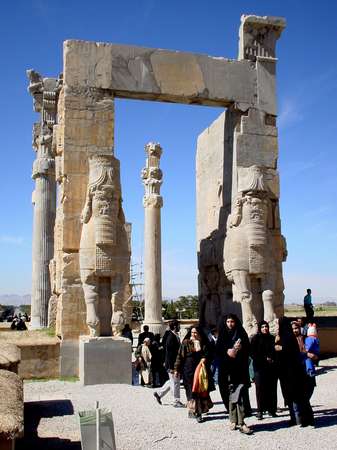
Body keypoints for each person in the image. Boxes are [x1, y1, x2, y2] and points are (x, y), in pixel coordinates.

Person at [216, 314, 252, 434]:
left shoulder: (241, 334)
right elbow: (218, 351)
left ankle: (241, 422)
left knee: (240, 396)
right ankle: (232, 419)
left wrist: (239, 349)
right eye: (228, 321)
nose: (230, 324)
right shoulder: (222, 335)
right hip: (226, 371)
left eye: (232, 321)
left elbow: (248, 350)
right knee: (230, 396)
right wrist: (227, 351)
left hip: (239, 370)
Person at [276, 317, 312, 426]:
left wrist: (280, 348)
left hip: (292, 372)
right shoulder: (283, 337)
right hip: (285, 373)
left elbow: (291, 352)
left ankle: (300, 419)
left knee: (296, 396)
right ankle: (295, 418)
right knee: (289, 396)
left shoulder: (289, 338)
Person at [174, 325, 214, 422]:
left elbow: (209, 354)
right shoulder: (186, 343)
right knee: (191, 391)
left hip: (201, 370)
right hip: (188, 370)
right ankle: (195, 411)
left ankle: (198, 411)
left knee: (200, 390)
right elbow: (180, 356)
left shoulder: (204, 343)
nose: (194, 334)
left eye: (195, 332)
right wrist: (176, 369)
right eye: (192, 332)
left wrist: (205, 358)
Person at [250, 320, 277, 420]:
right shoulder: (255, 339)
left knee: (271, 389)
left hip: (271, 368)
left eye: (266, 327)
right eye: (263, 327)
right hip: (259, 368)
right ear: (259, 328)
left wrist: (272, 358)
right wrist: (264, 358)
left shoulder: (271, 338)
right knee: (260, 389)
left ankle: (271, 409)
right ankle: (260, 410)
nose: (265, 329)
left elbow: (275, 351)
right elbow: (252, 353)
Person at [153, 320, 184, 407]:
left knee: (172, 381)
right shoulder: (171, 337)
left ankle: (159, 394)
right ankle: (176, 401)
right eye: (178, 325)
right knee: (175, 382)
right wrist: (171, 366)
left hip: (173, 363)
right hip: (172, 364)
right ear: (174, 326)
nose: (179, 327)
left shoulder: (174, 335)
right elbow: (169, 353)